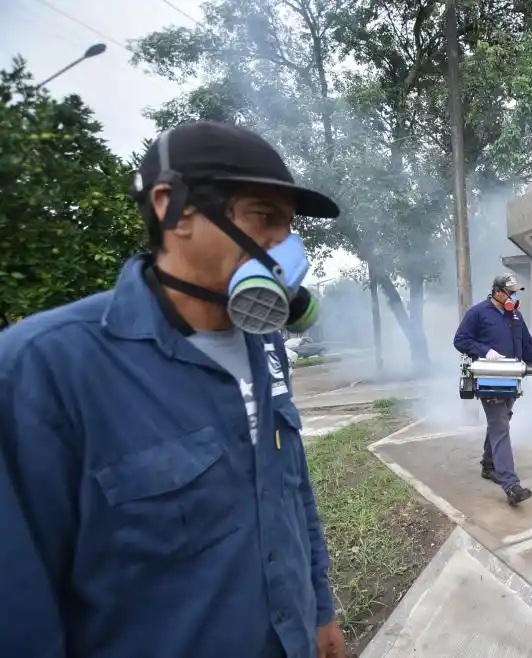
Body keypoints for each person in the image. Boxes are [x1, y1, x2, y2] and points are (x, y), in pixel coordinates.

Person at [0, 120, 346, 658]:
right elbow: (19, 609)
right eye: (264, 218)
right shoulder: (42, 370)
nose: (286, 248)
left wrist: (319, 611)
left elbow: (291, 489)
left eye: (289, 227)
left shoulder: (265, 346)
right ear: (173, 207)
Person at [453, 273, 532, 505]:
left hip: (511, 382)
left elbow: (528, 348)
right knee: (500, 426)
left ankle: (489, 466)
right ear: (497, 291)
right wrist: (485, 351)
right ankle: (511, 485)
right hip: (489, 382)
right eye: (510, 292)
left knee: (501, 422)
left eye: (515, 292)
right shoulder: (478, 313)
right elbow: (460, 340)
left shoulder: (516, 316)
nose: (514, 296)